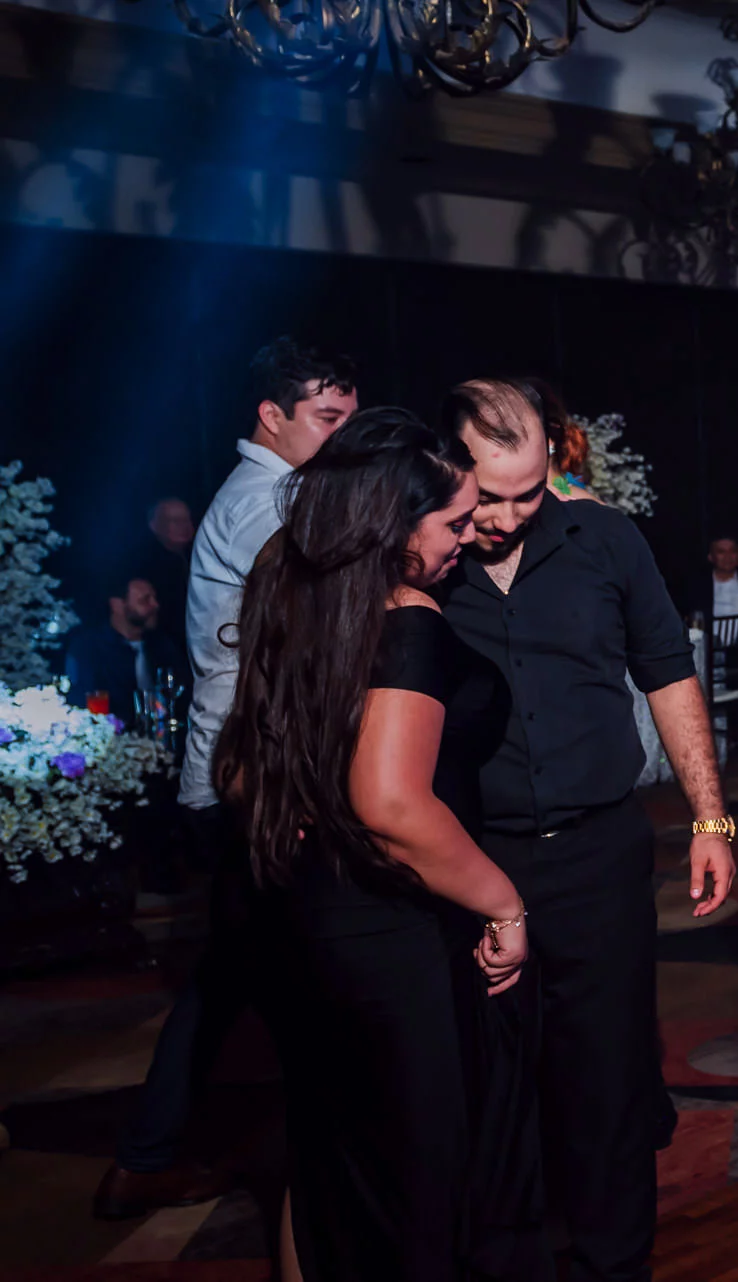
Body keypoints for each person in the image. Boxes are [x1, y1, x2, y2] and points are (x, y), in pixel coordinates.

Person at [214, 407, 545, 1280]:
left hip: (305, 920)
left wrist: (305, 799)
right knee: (417, 1184)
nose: (470, 538)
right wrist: (505, 905)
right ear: (393, 523)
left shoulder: (290, 583)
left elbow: (240, 763)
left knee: (329, 1159)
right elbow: (393, 805)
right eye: (455, 522)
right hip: (394, 933)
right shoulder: (407, 617)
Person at [438, 378, 736, 1282]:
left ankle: (615, 1264)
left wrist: (710, 817)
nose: (506, 518)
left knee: (608, 1078)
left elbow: (668, 673)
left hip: (600, 853)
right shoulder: (417, 558)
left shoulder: (605, 540)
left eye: (528, 494)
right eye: (488, 498)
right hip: (471, 862)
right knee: (491, 1086)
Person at [94, 337, 358, 1222]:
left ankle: (148, 1157)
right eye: (327, 418)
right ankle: (323, 1170)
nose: (342, 436)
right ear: (271, 416)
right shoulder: (269, 503)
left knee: (239, 971)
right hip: (252, 780)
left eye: (349, 419)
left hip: (243, 774)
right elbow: (312, 635)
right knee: (298, 968)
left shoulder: (282, 491)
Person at [63, 574, 188, 725]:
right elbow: (84, 702)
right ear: (117, 605)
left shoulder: (163, 646)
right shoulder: (88, 649)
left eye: (154, 598)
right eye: (145, 600)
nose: (155, 605)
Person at [136, 498, 195, 653]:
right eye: (175, 521)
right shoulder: (145, 565)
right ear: (154, 525)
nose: (184, 526)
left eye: (187, 519)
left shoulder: (199, 555)